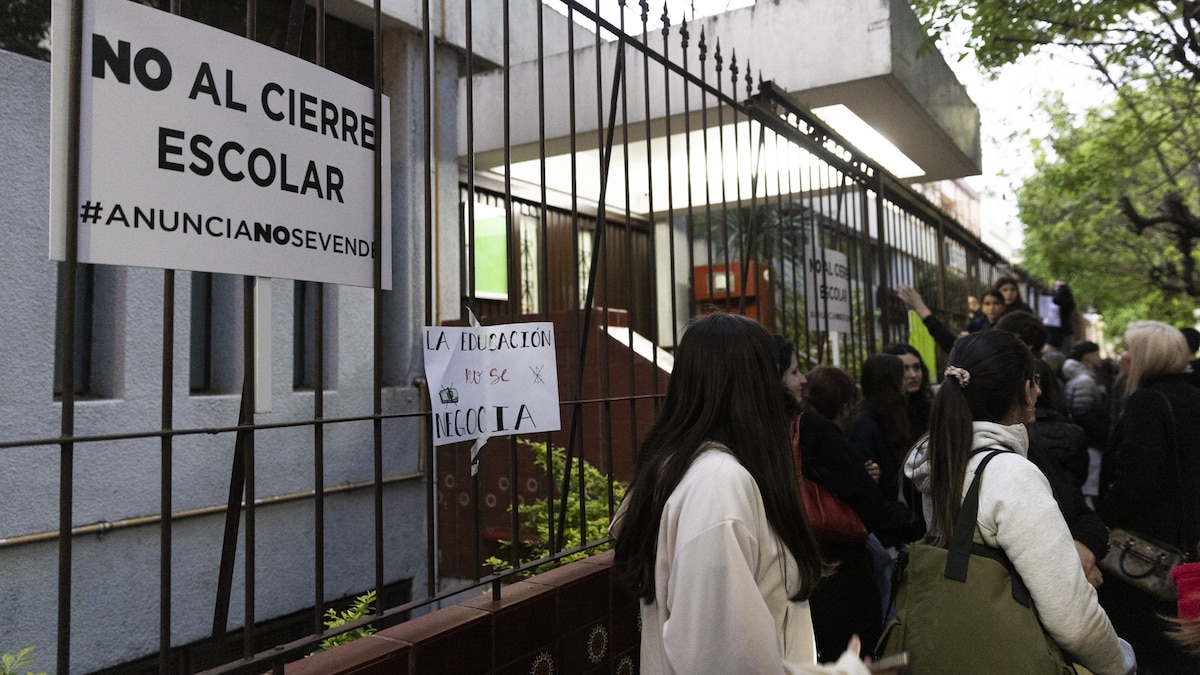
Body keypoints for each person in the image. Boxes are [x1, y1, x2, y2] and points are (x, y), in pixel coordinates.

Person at [611, 314, 874, 674]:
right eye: (775, 377)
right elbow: (725, 661)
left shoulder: (683, 469)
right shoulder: (718, 484)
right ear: (755, 388)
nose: (789, 390)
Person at [904, 330, 1134, 674]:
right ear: (1025, 388)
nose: (1040, 391)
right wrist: (1119, 664)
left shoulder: (942, 460)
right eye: (1035, 381)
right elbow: (1070, 614)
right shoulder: (1009, 474)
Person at [1099, 320, 1200, 673]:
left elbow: (1136, 483)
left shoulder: (1146, 403)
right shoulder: (1192, 396)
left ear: (1145, 357)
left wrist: (1100, 517)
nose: (1121, 356)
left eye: (1127, 349)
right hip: (1186, 544)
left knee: (1146, 647)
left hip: (1145, 558)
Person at [774, 346, 886, 661]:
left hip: (784, 581)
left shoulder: (747, 432)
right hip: (834, 575)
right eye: (794, 372)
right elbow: (869, 501)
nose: (802, 382)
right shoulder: (810, 428)